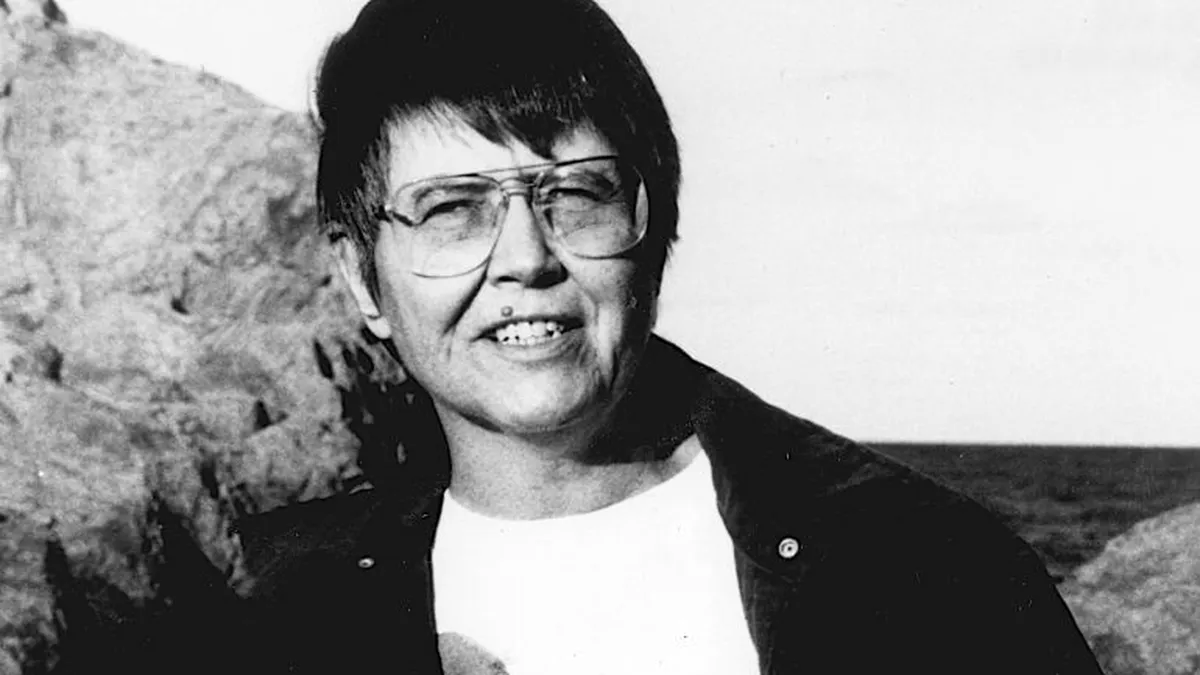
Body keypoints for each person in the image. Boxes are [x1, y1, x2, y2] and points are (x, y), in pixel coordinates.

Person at [216, 0, 1106, 673]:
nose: (526, 258)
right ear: (360, 276)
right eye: (452, 210)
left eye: (577, 195)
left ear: (655, 227)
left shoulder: (921, 571)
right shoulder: (264, 614)